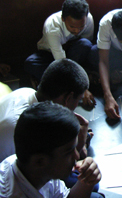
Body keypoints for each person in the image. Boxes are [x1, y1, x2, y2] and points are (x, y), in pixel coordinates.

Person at [0, 101, 111, 198]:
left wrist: (87, 182)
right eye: (69, 152)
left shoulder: (35, 170)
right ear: (40, 161)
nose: (76, 156)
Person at [0, 59, 96, 189]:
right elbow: (43, 172)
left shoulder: (27, 92)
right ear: (67, 99)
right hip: (10, 185)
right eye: (78, 100)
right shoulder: (27, 126)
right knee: (86, 182)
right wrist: (79, 145)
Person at [24, 0, 94, 99]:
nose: (77, 31)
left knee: (85, 44)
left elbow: (86, 44)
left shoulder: (88, 19)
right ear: (63, 19)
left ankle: (57, 84)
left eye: (81, 27)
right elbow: (62, 63)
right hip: (50, 54)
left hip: (70, 52)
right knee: (31, 63)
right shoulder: (53, 28)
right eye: (72, 27)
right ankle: (74, 81)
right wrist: (82, 89)